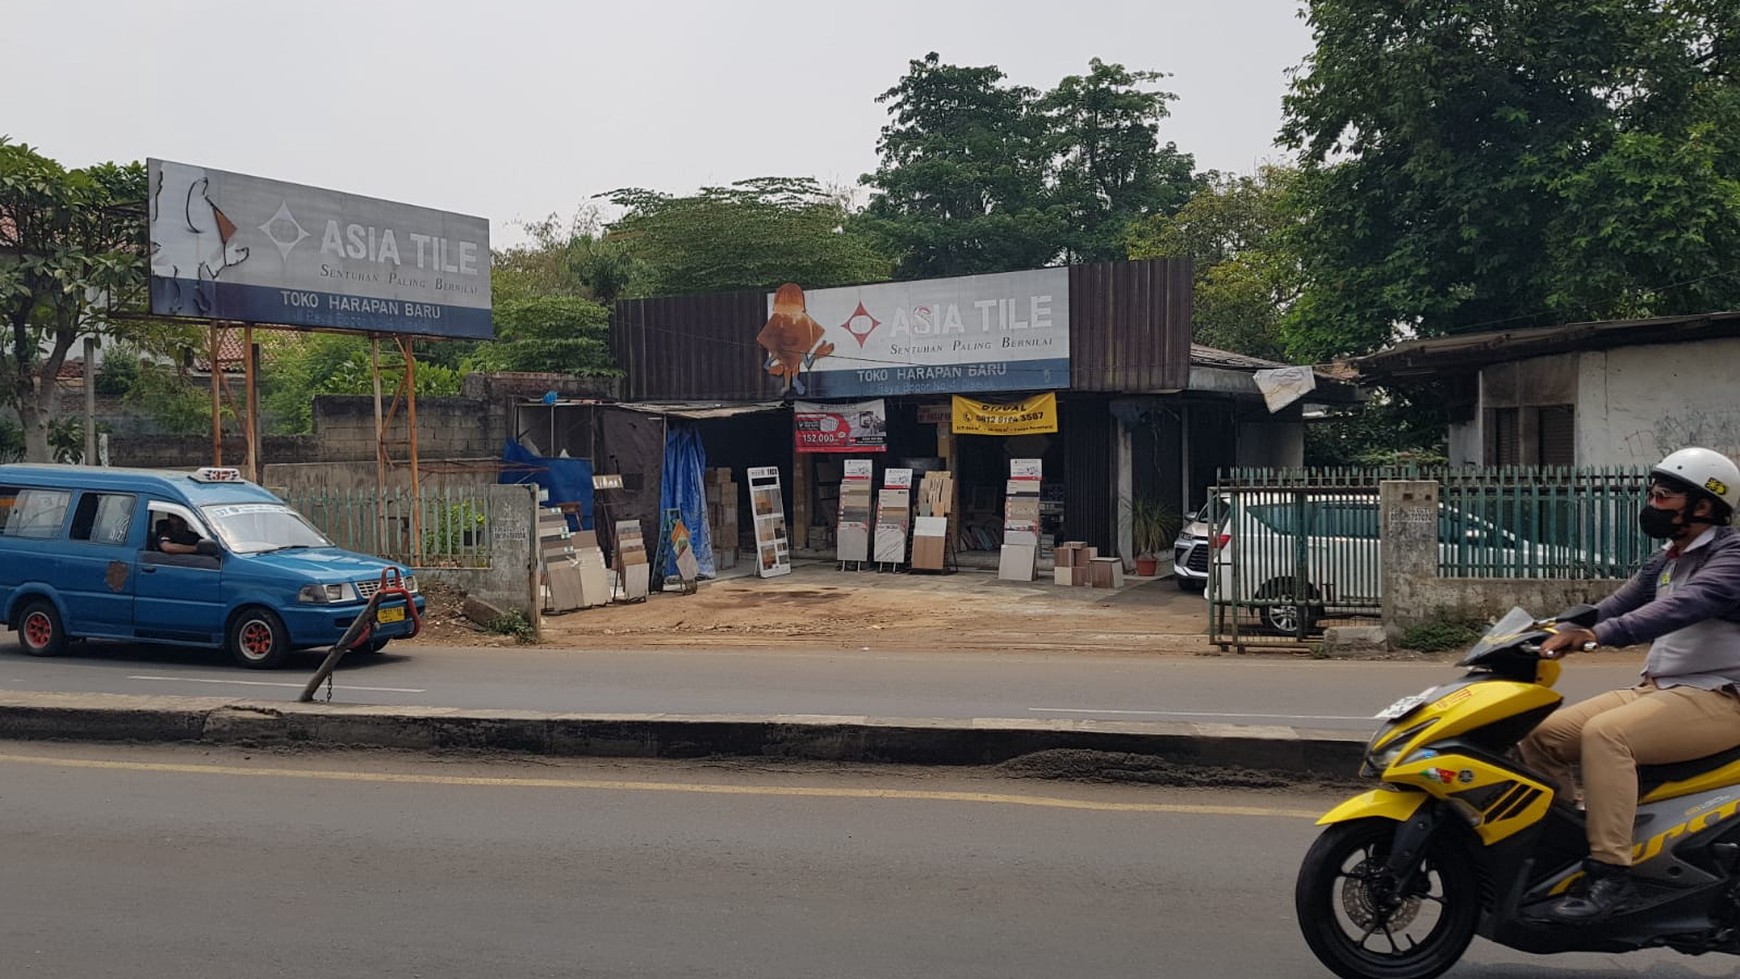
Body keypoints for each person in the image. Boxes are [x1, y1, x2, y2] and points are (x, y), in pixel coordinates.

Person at [1519, 446, 1740, 923]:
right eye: (1652, 493)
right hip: (1660, 690)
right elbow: (1612, 606)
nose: (1652, 504)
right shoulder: (1667, 560)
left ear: (1703, 505)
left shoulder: (1731, 558)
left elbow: (1678, 609)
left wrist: (1598, 635)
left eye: (1663, 496)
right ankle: (1564, 850)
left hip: (1720, 698)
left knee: (1607, 735)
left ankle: (1611, 876)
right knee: (1541, 735)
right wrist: (1543, 630)